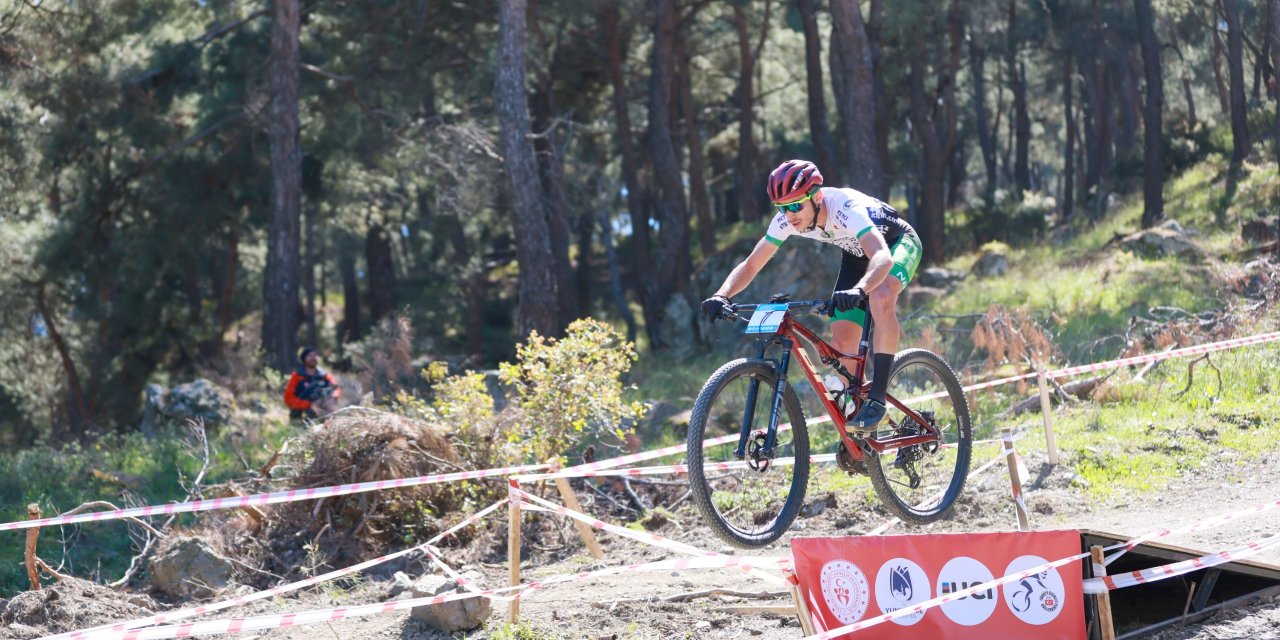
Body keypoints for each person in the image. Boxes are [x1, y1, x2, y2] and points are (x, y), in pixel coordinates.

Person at [701, 159, 922, 431]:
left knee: (880, 297)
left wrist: (860, 290)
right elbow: (751, 264)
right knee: (841, 340)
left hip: (894, 245)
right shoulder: (787, 220)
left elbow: (882, 258)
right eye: (782, 208)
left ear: (816, 196)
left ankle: (877, 398)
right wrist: (722, 295)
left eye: (796, 205)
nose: (790, 215)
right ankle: (859, 429)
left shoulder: (845, 208)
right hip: (856, 258)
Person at [284, 347, 341, 420]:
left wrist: (330, 399)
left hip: (324, 409)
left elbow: (336, 389)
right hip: (302, 412)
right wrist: (309, 404)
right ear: (304, 359)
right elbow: (288, 398)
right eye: (309, 356)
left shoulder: (324, 375)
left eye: (314, 355)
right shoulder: (297, 376)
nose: (313, 358)